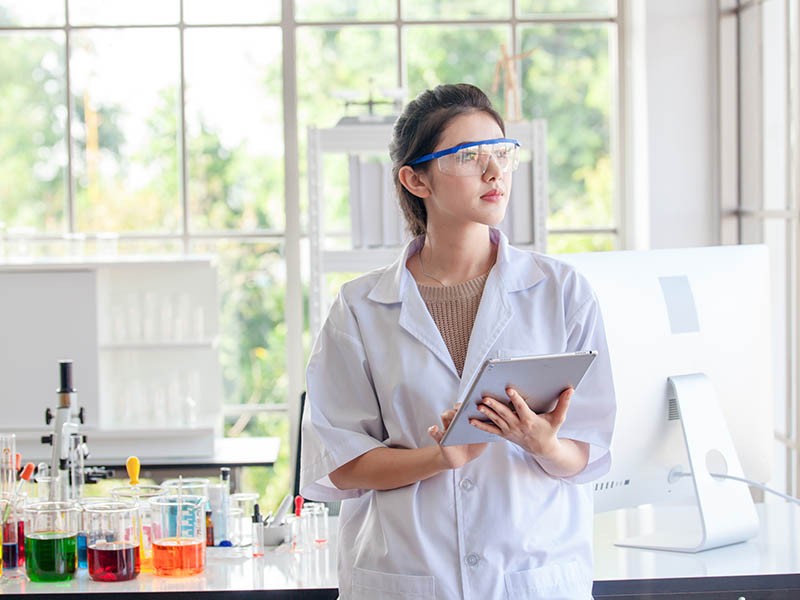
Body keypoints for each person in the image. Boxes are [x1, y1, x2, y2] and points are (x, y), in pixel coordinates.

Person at [300, 83, 616, 600]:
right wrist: (440, 457)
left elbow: (588, 449)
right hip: (408, 579)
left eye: (502, 152)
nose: (494, 172)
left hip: (531, 579)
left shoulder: (562, 291)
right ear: (415, 178)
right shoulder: (359, 308)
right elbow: (343, 464)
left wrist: (544, 444)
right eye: (469, 156)